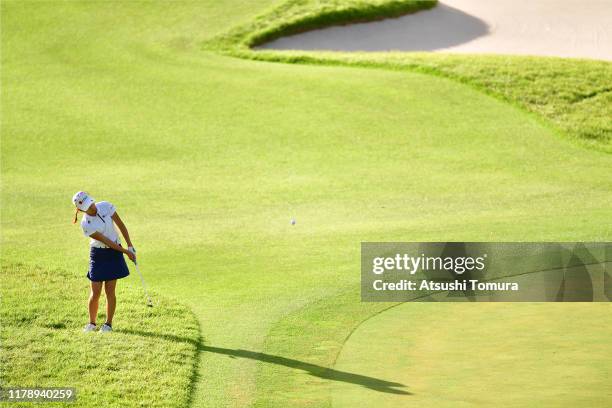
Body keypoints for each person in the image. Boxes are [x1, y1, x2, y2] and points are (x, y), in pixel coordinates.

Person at [72, 191, 136, 333]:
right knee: (95, 292)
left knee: (110, 290)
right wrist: (126, 252)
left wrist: (129, 245)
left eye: (91, 203)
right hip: (98, 254)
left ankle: (108, 325)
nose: (92, 207)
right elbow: (105, 241)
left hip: (114, 251)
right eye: (88, 206)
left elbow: (120, 225)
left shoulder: (106, 206)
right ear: (81, 209)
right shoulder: (86, 224)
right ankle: (92, 323)